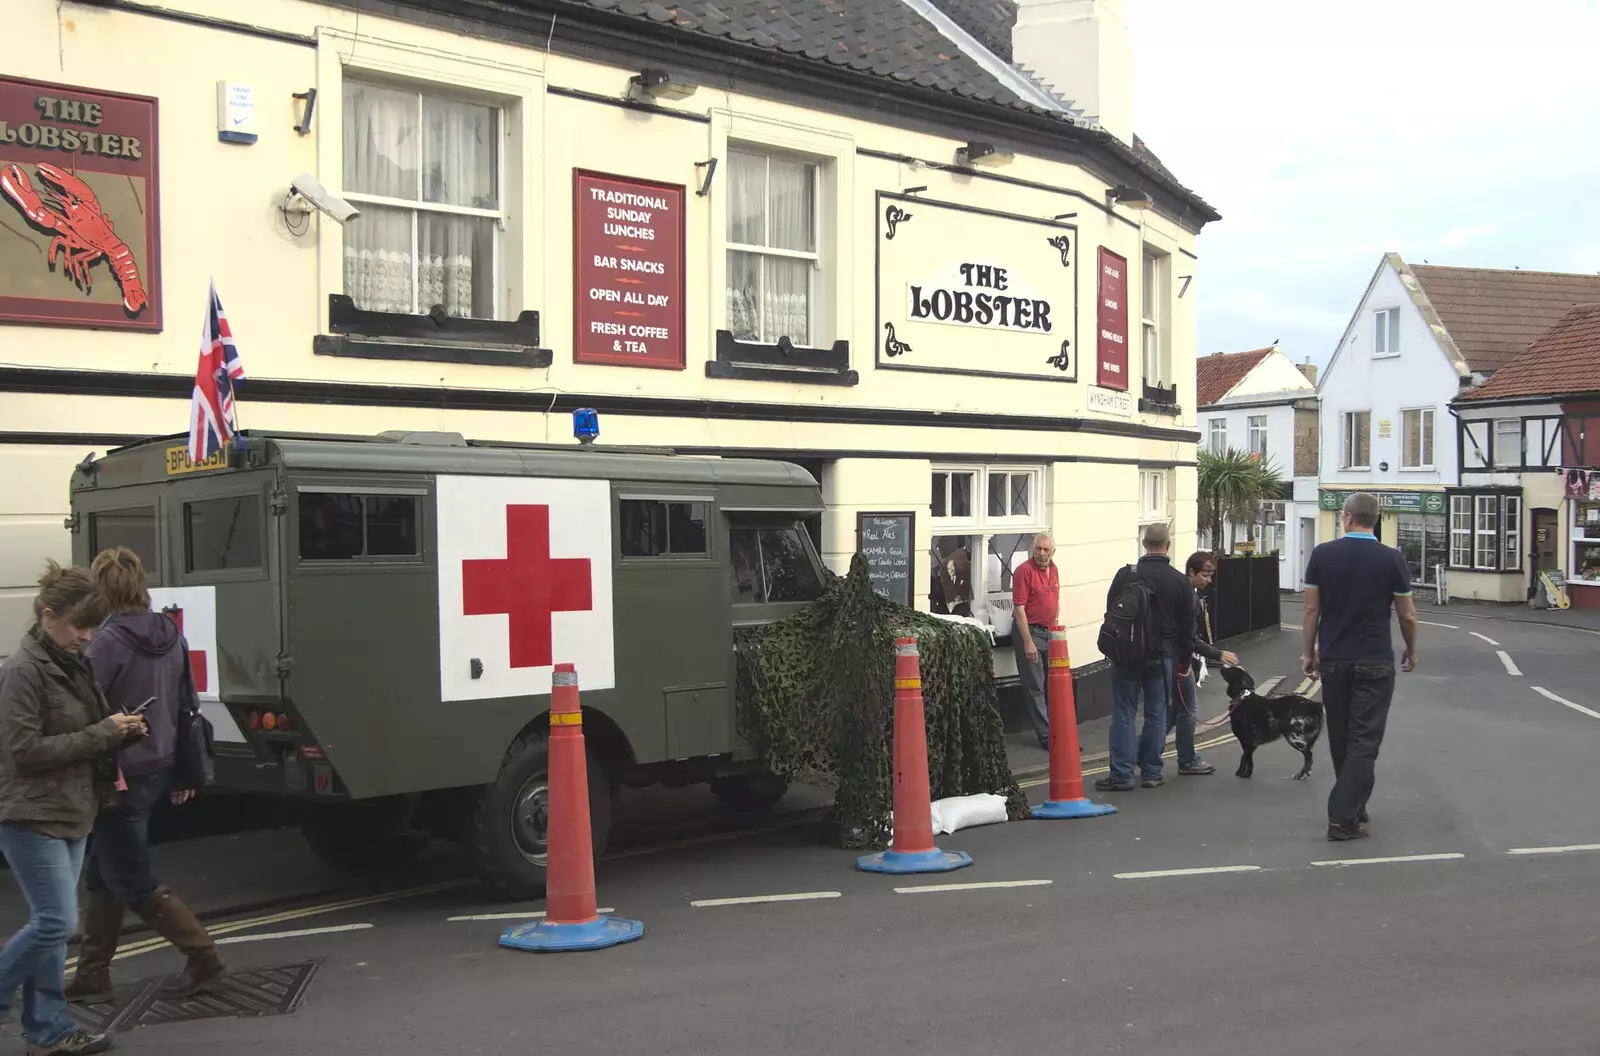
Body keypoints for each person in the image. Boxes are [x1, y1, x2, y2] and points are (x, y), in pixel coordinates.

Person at [67, 547, 227, 1003]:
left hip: (118, 773)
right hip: (157, 766)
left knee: (131, 878)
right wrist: (181, 773)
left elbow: (81, 705)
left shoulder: (106, 643)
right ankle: (92, 974)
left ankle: (203, 957)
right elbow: (185, 704)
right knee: (104, 871)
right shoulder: (169, 632)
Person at [0, 561, 147, 1056]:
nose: (86, 637)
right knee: (56, 923)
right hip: (30, 813)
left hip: (74, 809)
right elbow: (24, 751)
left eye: (92, 627)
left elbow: (82, 734)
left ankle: (49, 1032)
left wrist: (120, 731)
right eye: (78, 626)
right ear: (47, 615)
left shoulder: (72, 663)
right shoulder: (21, 672)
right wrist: (104, 733)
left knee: (52, 933)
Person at [1301, 493, 1419, 841]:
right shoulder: (1391, 559)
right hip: (1375, 661)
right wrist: (1411, 649)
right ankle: (1342, 817)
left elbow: (1310, 611)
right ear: (1376, 520)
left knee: (1341, 738)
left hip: (1335, 660)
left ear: (1347, 517)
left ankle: (1353, 808)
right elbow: (1407, 613)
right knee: (1364, 740)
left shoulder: (1323, 555)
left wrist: (1309, 653)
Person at [1096, 523, 1194, 791]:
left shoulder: (1126, 575)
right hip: (1162, 656)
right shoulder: (1180, 581)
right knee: (1156, 712)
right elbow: (1188, 629)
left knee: (1124, 712)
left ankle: (1122, 774)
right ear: (1168, 545)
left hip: (1127, 655)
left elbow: (1111, 614)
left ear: (1143, 543)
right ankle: (1151, 772)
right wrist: (1184, 663)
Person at [1166, 552, 1241, 776]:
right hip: (1179, 660)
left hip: (1173, 658)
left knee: (1170, 713)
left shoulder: (1186, 591)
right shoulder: (1187, 595)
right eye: (1205, 575)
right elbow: (1188, 638)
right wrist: (1217, 654)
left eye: (1210, 576)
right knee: (1188, 711)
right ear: (1191, 571)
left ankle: (1141, 754)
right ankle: (1187, 760)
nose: (1209, 580)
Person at [1010, 532, 1060, 750]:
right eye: (1038, 549)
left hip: (1049, 633)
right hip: (1029, 632)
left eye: (1046, 550)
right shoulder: (1023, 572)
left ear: (1052, 552)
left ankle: (1060, 733)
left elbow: (1054, 601)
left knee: (1054, 686)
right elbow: (1019, 608)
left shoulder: (1054, 569)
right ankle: (1047, 737)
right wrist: (1028, 641)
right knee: (1035, 687)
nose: (1041, 553)